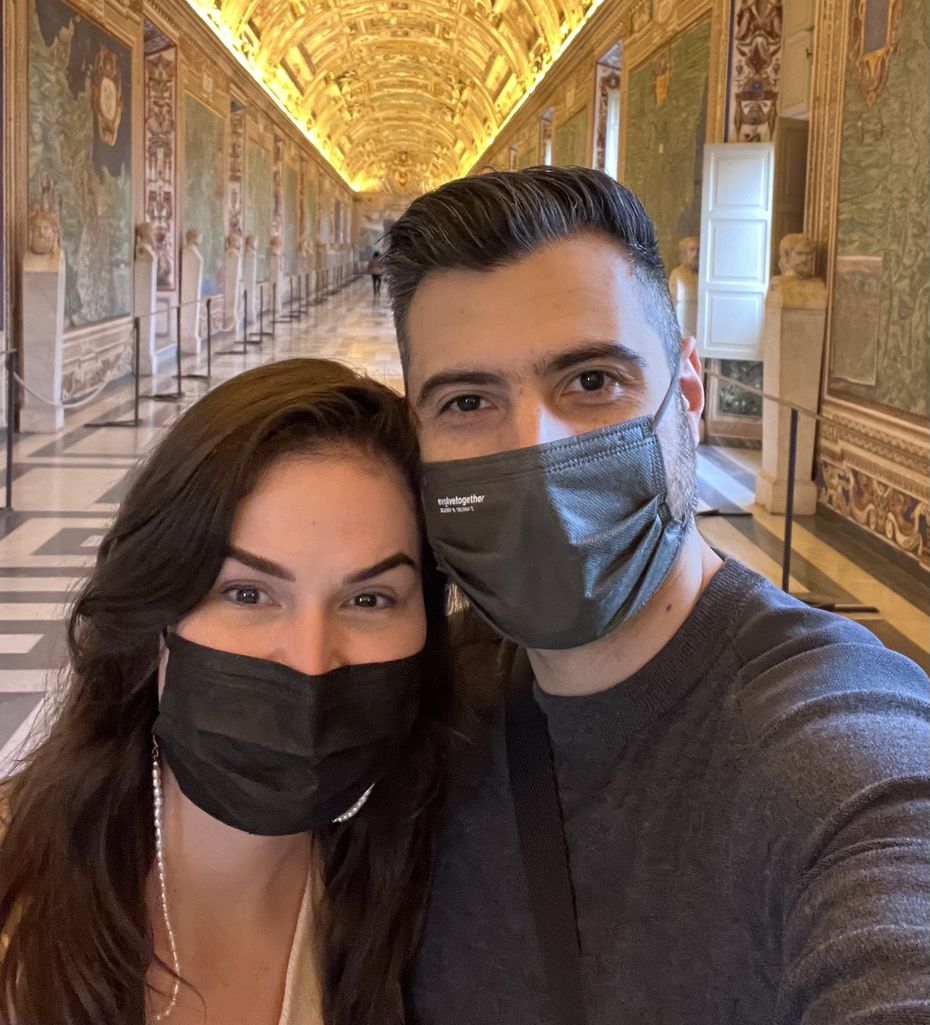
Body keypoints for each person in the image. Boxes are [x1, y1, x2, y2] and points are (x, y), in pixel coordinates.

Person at [381, 165, 930, 1025]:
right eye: (468, 399)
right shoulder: (427, 702)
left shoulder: (837, 754)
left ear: (686, 393)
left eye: (592, 381)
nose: (535, 449)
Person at [0, 359, 452, 1025]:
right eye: (246, 592)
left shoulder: (439, 889)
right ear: (158, 611)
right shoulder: (19, 895)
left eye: (369, 598)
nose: (308, 658)